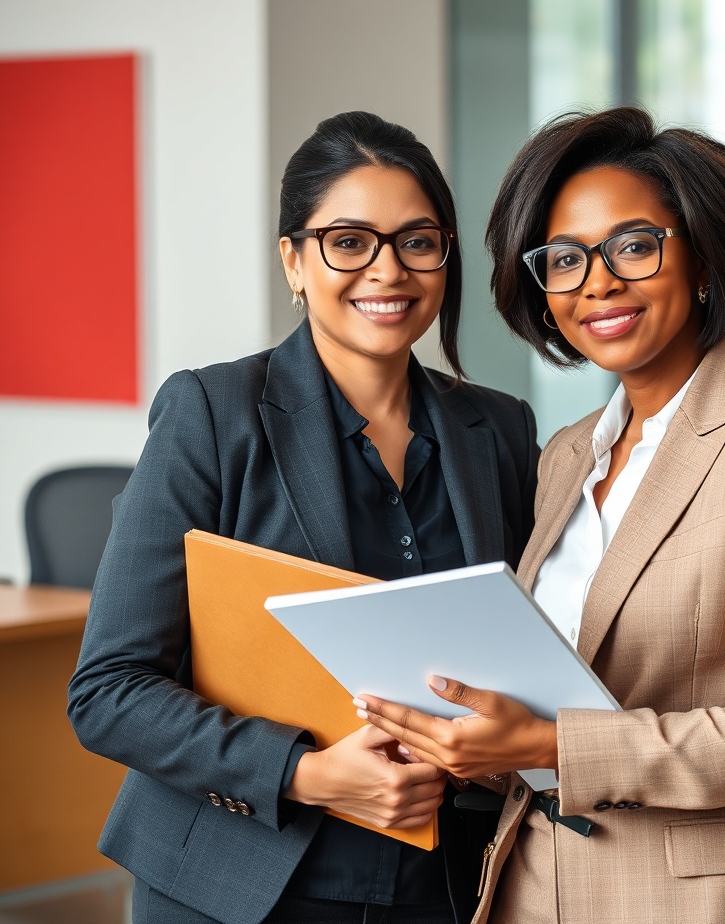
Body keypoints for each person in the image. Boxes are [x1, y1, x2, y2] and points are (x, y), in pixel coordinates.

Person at [355, 107, 725, 924]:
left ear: (702, 255)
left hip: (714, 899)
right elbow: (545, 703)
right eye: (563, 259)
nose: (597, 282)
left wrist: (546, 744)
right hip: (536, 886)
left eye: (633, 245)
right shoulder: (564, 457)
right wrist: (459, 739)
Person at [68, 111, 538, 924]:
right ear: (294, 259)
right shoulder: (212, 414)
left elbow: (524, 646)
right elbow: (109, 691)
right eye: (349, 242)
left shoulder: (498, 429)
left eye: (417, 241)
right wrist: (306, 773)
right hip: (237, 885)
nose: (387, 271)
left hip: (446, 884)